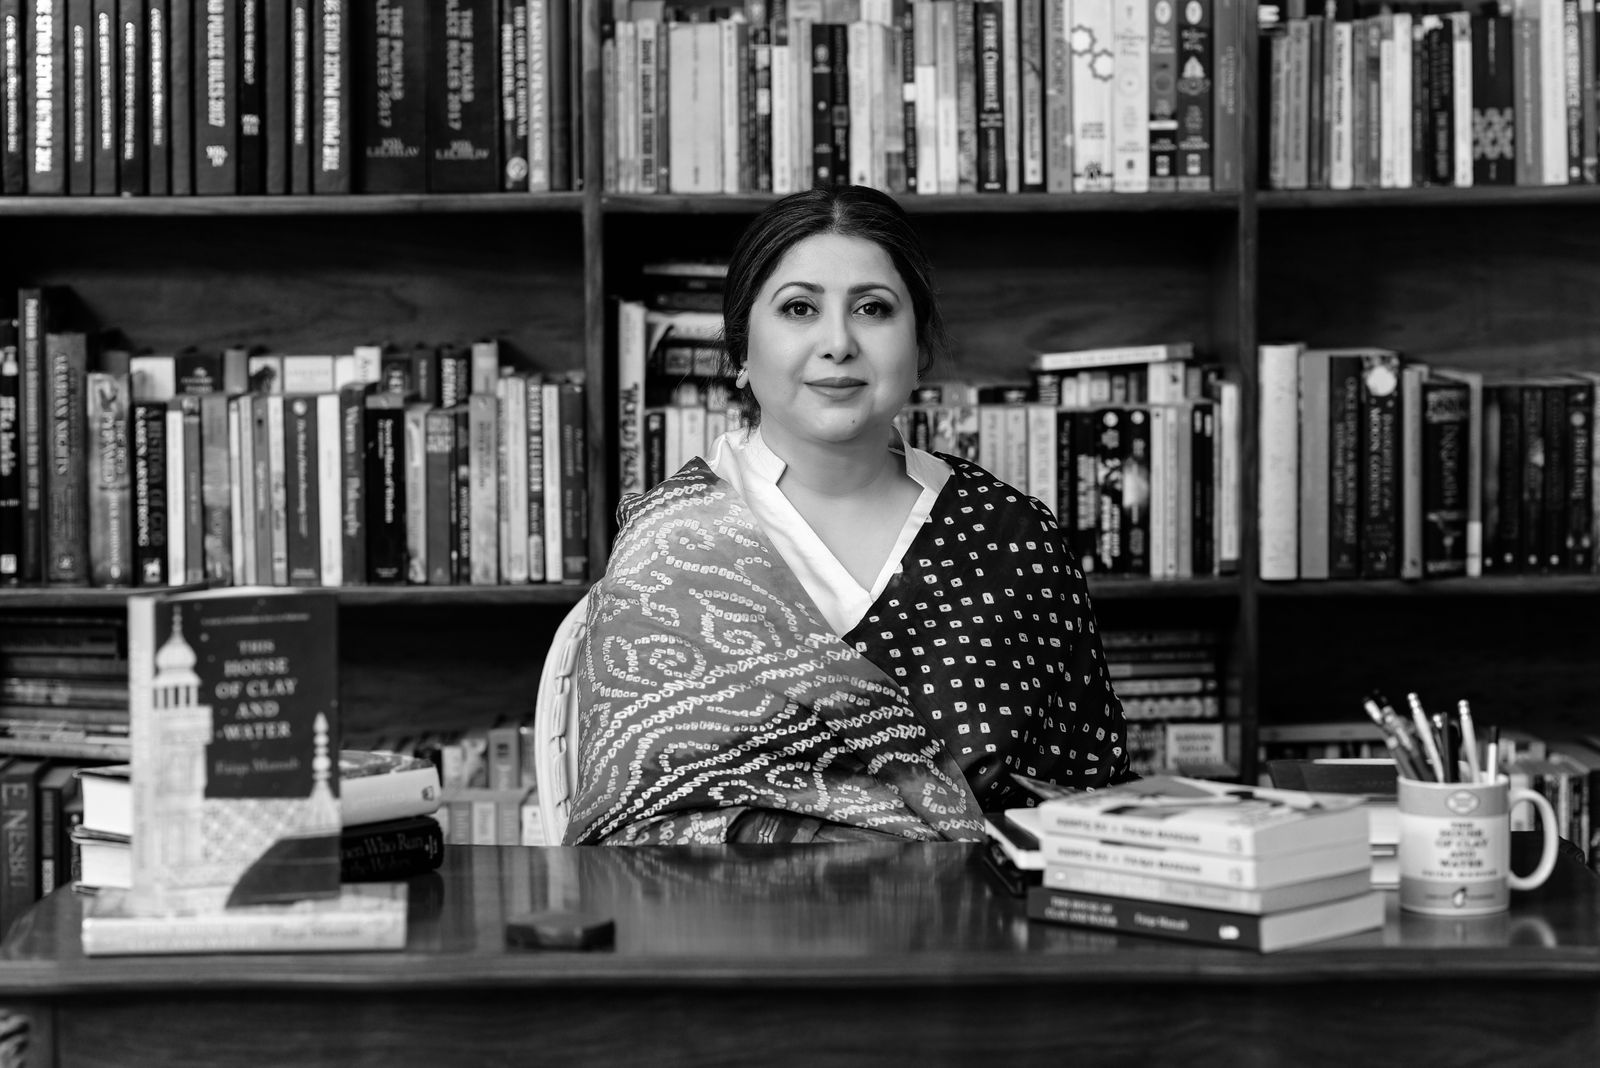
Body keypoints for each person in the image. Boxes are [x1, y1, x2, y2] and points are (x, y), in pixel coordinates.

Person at [566, 185, 1132, 846]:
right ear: (742, 350)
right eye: (799, 308)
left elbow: (1091, 797)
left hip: (986, 906)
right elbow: (635, 827)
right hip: (733, 909)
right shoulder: (671, 546)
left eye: (872, 308)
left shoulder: (1014, 535)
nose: (837, 342)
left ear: (919, 348)